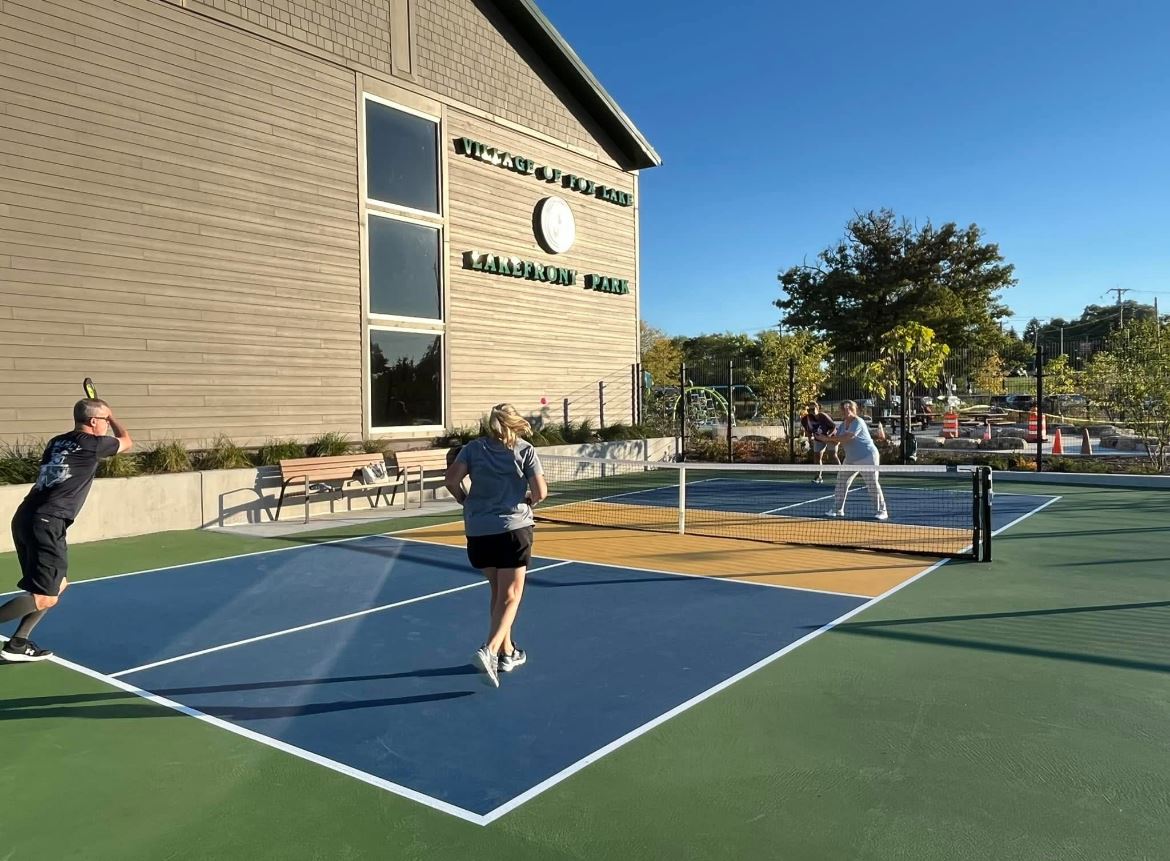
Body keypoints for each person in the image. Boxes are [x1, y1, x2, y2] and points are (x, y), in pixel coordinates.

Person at [1, 398, 132, 662]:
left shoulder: (56, 442)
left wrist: (106, 414)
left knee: (56, 586)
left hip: (26, 517)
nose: (107, 426)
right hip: (48, 522)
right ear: (94, 422)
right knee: (46, 597)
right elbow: (127, 441)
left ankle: (17, 644)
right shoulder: (94, 444)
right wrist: (114, 416)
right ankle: (17, 642)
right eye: (104, 421)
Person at [443, 403, 547, 688]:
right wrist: (527, 501)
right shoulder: (525, 450)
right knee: (512, 595)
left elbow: (451, 480)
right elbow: (540, 492)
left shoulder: (474, 449)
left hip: (478, 531)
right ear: (514, 423)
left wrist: (464, 500)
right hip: (513, 530)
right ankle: (489, 650)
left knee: (499, 594)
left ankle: (508, 652)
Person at [816, 399, 887, 521]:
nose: (847, 410)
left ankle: (882, 511)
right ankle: (837, 509)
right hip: (850, 459)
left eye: (849, 408)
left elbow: (848, 437)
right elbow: (838, 439)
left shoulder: (858, 422)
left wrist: (827, 439)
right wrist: (823, 438)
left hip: (867, 457)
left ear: (854, 410)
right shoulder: (843, 425)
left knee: (872, 484)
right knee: (841, 482)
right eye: (844, 408)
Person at [799, 402, 839, 483]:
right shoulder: (805, 420)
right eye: (809, 409)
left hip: (831, 437)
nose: (811, 411)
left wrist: (827, 437)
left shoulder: (823, 416)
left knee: (832, 456)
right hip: (818, 439)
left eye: (813, 409)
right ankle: (818, 477)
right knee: (817, 457)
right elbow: (808, 431)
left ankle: (842, 475)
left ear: (817, 408)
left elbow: (833, 426)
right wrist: (810, 441)